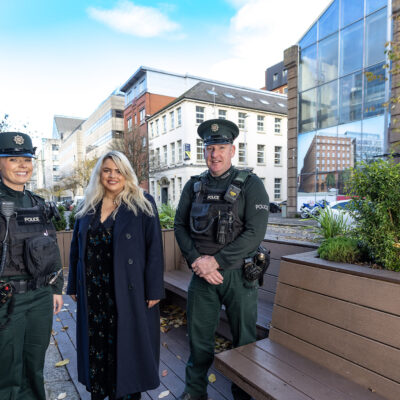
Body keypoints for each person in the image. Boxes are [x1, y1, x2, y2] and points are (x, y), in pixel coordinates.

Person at [174, 119, 269, 400]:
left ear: (232, 150)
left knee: (244, 341)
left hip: (239, 276)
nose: (214, 154)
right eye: (210, 148)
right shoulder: (193, 186)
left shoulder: (251, 185)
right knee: (199, 339)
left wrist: (215, 262)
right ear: (204, 152)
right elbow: (179, 226)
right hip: (202, 275)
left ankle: (243, 393)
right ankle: (194, 392)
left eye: (221, 147)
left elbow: (255, 232)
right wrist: (197, 262)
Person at [67, 150, 164, 400]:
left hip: (127, 289)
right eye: (107, 170)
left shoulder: (143, 203)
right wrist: (73, 286)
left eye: (118, 170)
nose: (112, 175)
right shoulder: (87, 205)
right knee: (98, 346)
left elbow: (155, 249)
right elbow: (76, 249)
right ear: (100, 174)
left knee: (127, 348)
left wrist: (154, 288)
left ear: (126, 174)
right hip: (94, 291)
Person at [0, 131, 64, 400]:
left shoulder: (38, 203)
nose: (22, 165)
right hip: (6, 299)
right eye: (13, 159)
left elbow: (51, 247)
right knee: (6, 371)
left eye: (27, 159)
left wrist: (57, 287)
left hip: (40, 296)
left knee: (34, 364)